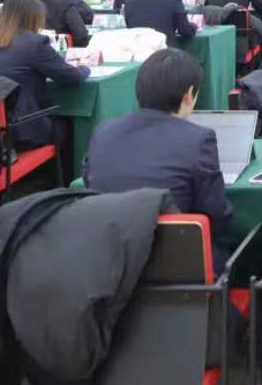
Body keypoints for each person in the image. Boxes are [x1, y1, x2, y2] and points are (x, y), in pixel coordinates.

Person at [82, 49, 233, 262]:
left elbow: (89, 183)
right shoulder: (198, 139)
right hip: (174, 261)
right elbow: (217, 216)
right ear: (189, 95)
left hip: (107, 259)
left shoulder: (104, 131)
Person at [0, 0, 90, 147]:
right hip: (21, 130)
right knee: (70, 124)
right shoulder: (34, 43)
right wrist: (85, 67)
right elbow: (72, 77)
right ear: (34, 17)